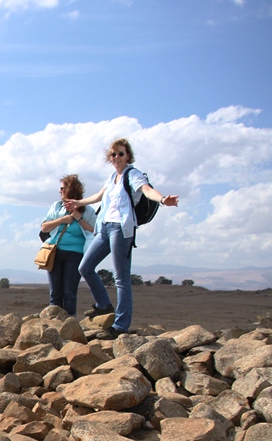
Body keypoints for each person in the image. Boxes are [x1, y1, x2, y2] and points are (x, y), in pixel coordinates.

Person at [64, 138, 178, 340]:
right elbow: (99, 196)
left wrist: (162, 199)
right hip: (104, 227)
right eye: (114, 154)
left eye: (121, 154)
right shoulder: (111, 178)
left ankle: (120, 325)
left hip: (121, 229)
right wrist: (78, 202)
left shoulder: (132, 175)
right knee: (85, 267)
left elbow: (146, 190)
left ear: (128, 156)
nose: (117, 157)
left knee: (121, 278)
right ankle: (103, 305)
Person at [40, 174, 96, 316]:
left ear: (70, 190)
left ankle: (70, 326)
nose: (60, 191)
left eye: (62, 188)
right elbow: (44, 227)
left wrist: (79, 219)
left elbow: (96, 231)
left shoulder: (87, 210)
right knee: (55, 293)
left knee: (69, 293)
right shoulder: (57, 207)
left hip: (76, 254)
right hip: (56, 252)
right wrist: (62, 220)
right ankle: (54, 325)